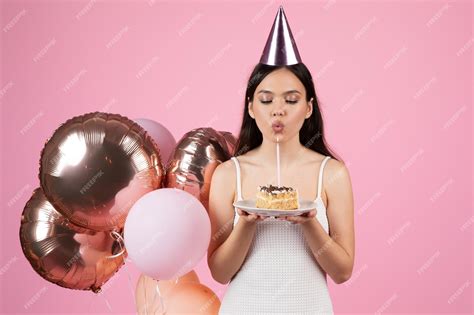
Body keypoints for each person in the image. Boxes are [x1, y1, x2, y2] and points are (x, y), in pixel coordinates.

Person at [207, 6, 354, 314]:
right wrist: (245, 224)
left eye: (291, 100)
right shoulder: (227, 174)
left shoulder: (332, 174)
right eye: (266, 100)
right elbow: (220, 273)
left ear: (309, 107)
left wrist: (310, 223)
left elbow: (342, 272)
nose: (278, 110)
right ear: (250, 107)